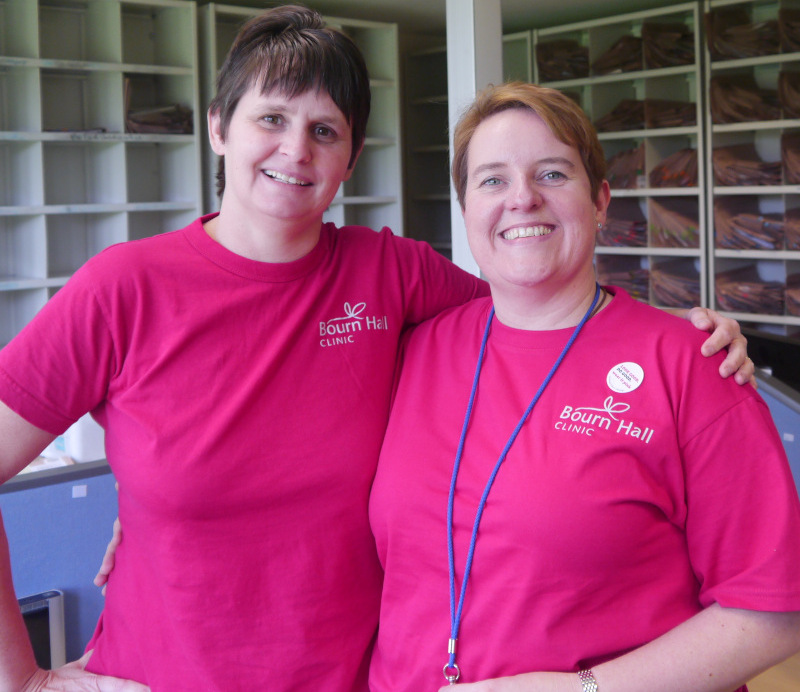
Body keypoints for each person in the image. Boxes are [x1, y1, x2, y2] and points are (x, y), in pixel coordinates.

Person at [0, 6, 749, 692]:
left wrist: (682, 331)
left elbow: (544, 304)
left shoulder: (391, 275)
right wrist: (21, 677)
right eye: (271, 118)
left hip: (359, 678)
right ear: (219, 127)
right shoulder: (124, 289)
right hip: (164, 676)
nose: (295, 150)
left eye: (325, 130)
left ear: (350, 158)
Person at [367, 82, 800, 692]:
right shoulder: (415, 347)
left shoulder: (693, 364)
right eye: (492, 180)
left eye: (551, 173)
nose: (522, 199)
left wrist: (582, 691)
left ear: (600, 200)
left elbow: (772, 614)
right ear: (465, 208)